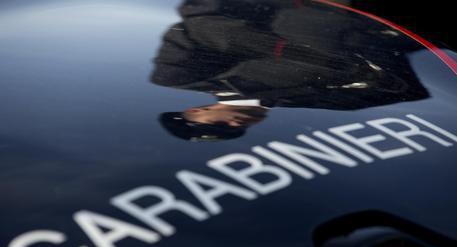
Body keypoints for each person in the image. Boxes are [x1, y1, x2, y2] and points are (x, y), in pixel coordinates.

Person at [153, 0, 429, 141]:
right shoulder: (324, 111)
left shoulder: (216, 73)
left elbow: (199, 24)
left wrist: (284, 49)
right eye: (234, 132)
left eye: (221, 125)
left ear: (197, 110)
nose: (235, 125)